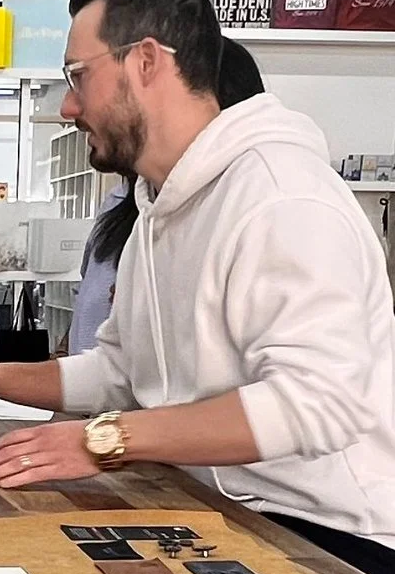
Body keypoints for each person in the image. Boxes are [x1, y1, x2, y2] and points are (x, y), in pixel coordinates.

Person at [0, 0, 395, 574]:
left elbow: (318, 406)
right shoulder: (162, 203)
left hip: (329, 545)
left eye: (79, 76)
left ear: (146, 61)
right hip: (215, 514)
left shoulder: (282, 199)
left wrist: (103, 441)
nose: (69, 106)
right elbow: (123, 372)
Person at [68, 38, 266, 353]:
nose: (73, 109)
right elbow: (101, 354)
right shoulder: (126, 203)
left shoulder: (262, 209)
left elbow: (295, 391)